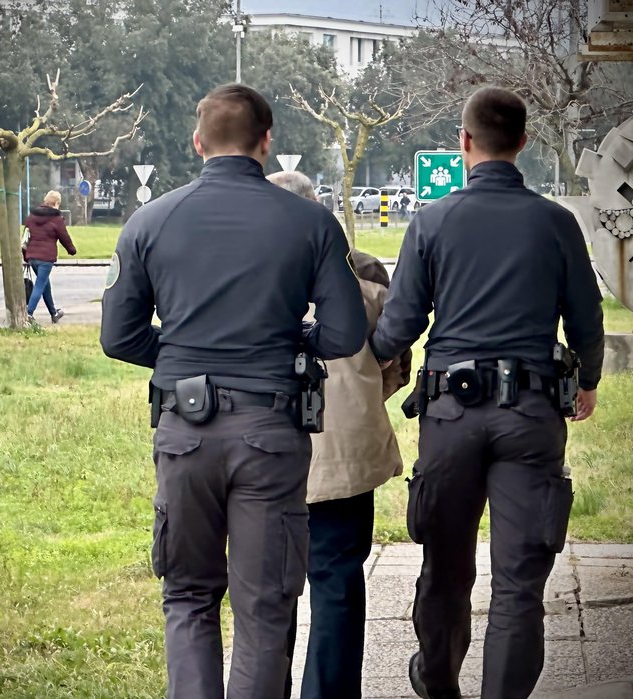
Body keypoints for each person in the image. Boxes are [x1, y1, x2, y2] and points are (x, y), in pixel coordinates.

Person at [99, 84, 367, 699]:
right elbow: (347, 332)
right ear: (267, 143)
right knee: (265, 605)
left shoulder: (150, 219)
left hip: (183, 432)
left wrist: (181, 358)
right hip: (271, 433)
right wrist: (292, 340)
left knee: (189, 595)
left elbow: (118, 337)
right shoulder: (311, 223)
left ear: (198, 143)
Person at [369, 86, 604, 699]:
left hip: (450, 415)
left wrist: (363, 359)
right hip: (532, 415)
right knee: (520, 580)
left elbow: (399, 325)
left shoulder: (432, 221)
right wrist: (589, 380)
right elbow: (586, 317)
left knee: (445, 566)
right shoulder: (557, 223)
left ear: (464, 142)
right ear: (523, 143)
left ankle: (438, 682)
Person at [267, 170, 411, 699]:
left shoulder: (241, 267)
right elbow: (396, 360)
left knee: (269, 590)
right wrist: (363, 397)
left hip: (263, 450)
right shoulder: (364, 270)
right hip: (344, 451)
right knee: (338, 586)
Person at [22, 190, 76, 324]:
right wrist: (72, 250)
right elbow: (64, 237)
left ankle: (54, 313)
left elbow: (25, 238)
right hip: (46, 258)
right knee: (40, 285)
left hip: (32, 257)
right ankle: (28, 313)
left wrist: (26, 256)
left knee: (45, 284)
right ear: (56, 203)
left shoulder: (32, 217)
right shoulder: (56, 219)